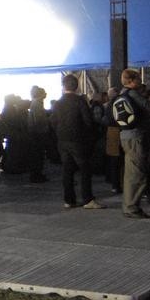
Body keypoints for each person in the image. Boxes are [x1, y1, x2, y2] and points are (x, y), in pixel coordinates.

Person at [51, 74, 104, 210]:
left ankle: (69, 200)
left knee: (67, 170)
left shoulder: (58, 102)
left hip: (62, 140)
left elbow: (53, 121)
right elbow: (88, 121)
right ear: (77, 86)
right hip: (78, 141)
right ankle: (87, 199)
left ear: (64, 86)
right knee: (85, 169)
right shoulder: (80, 101)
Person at [116, 69, 150, 218]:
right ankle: (131, 207)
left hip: (125, 135)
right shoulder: (134, 94)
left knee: (130, 172)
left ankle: (129, 205)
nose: (140, 81)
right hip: (135, 136)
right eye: (138, 78)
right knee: (137, 173)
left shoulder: (121, 94)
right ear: (132, 80)